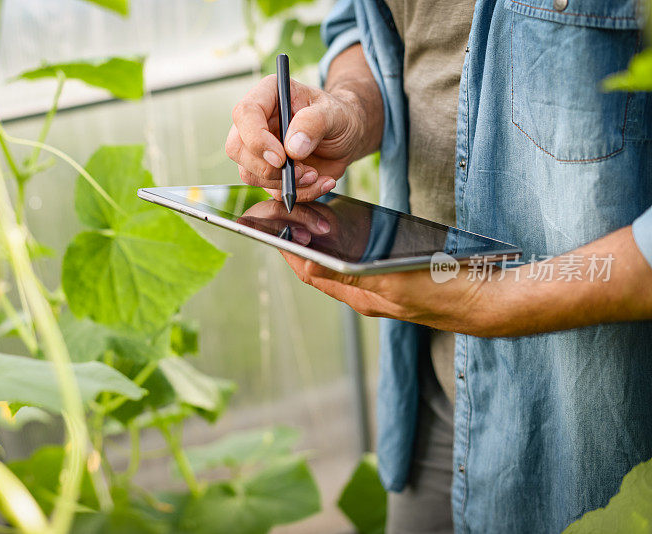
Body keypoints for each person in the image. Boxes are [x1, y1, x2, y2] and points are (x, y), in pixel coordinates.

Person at [225, 0, 652, 532]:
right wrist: (349, 107)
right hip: (433, 386)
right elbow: (363, 29)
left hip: (591, 430)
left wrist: (488, 300)